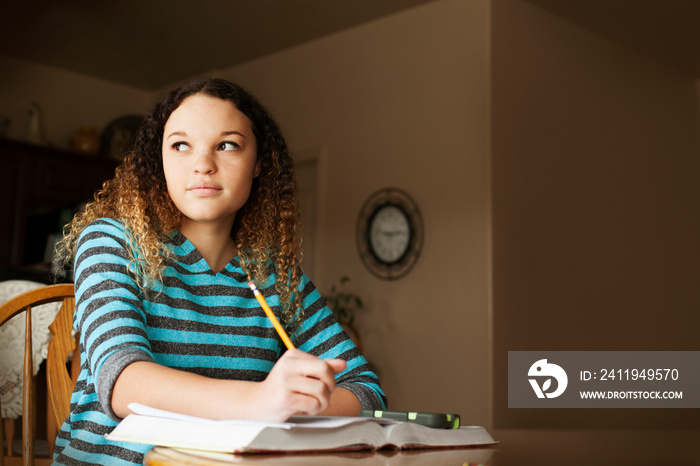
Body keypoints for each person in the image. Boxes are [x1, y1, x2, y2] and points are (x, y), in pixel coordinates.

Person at [52, 77, 386, 465]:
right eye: (180, 145)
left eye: (227, 145)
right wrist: (256, 402)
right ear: (159, 161)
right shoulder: (111, 240)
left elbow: (364, 388)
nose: (203, 165)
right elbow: (123, 382)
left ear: (259, 162)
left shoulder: (273, 276)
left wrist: (286, 407)